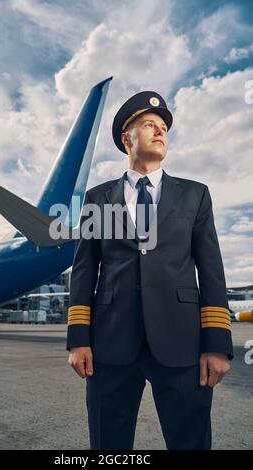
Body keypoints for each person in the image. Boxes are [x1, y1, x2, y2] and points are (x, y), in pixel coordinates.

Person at [66, 90, 233, 450]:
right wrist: (78, 338)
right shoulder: (98, 198)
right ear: (127, 139)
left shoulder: (195, 195)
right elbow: (83, 270)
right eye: (148, 125)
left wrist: (217, 344)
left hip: (182, 343)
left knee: (191, 442)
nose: (159, 132)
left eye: (163, 128)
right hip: (110, 344)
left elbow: (212, 270)